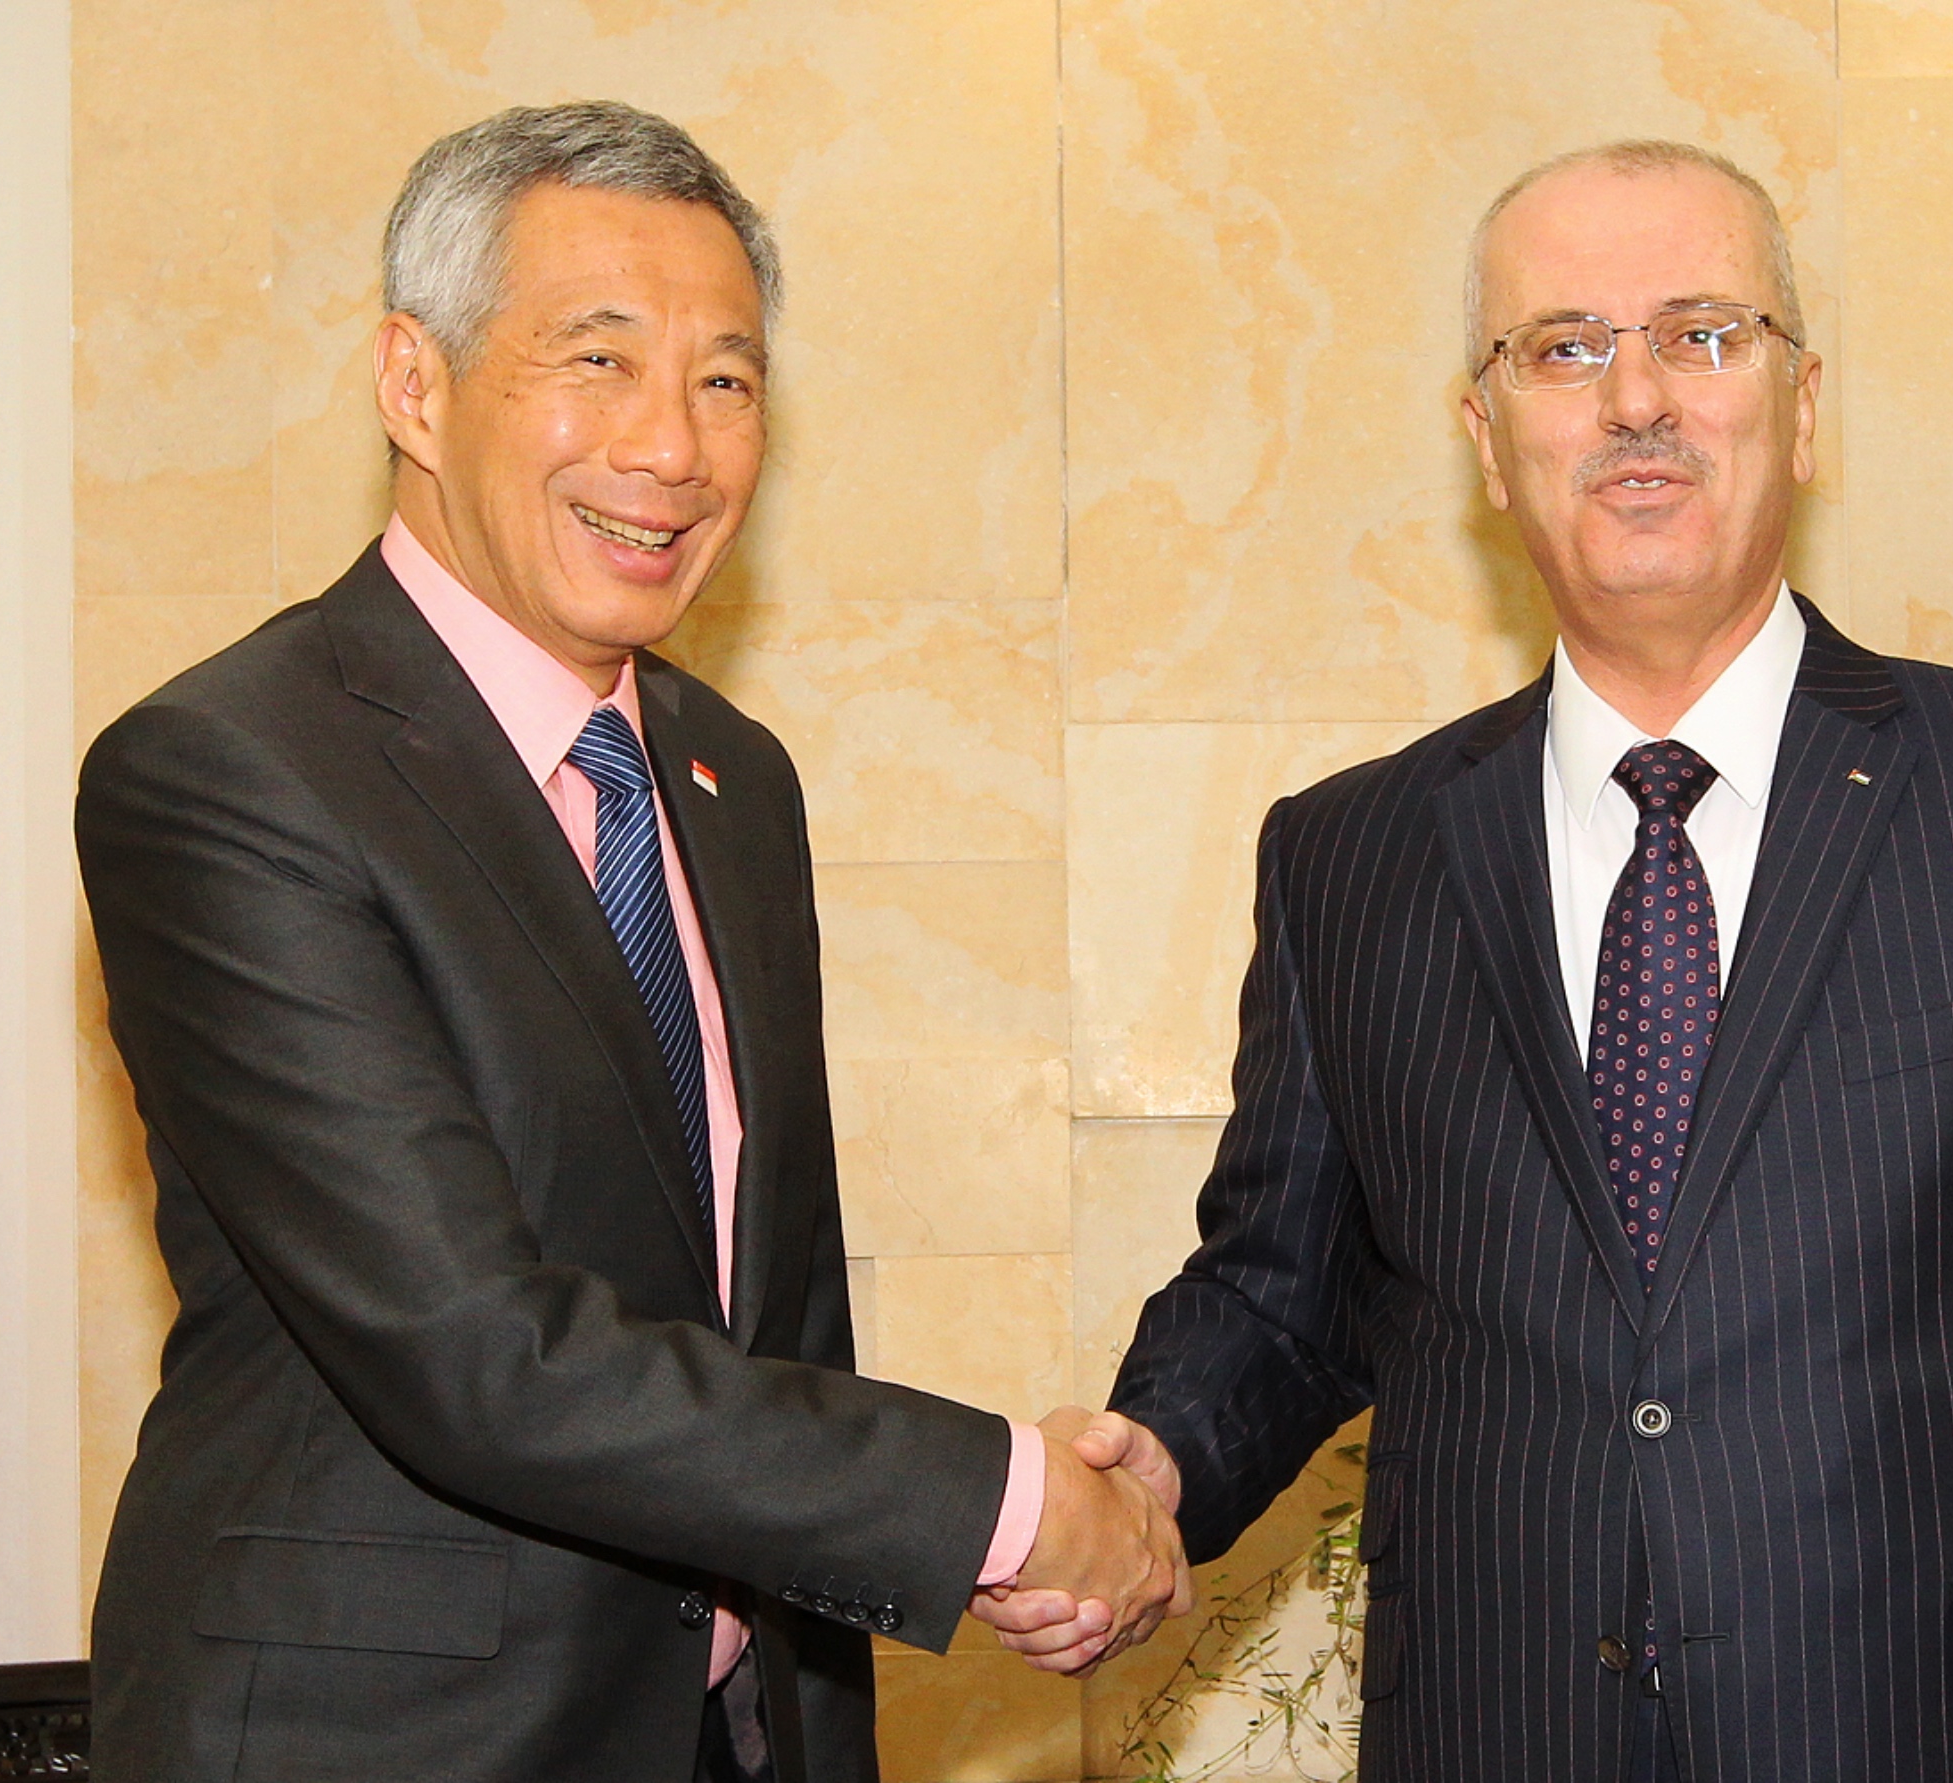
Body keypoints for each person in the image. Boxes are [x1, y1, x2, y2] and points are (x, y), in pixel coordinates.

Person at [978, 142, 1953, 1781]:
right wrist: (1153, 1471)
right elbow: (1287, 1292)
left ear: (1804, 406)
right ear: (1488, 439)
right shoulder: (1349, 855)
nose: (1636, 398)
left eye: (1700, 333)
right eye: (1563, 347)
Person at [77, 101, 1185, 1783]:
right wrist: (1007, 1504)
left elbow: (770, 1319)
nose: (672, 445)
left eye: (727, 380)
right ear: (414, 384)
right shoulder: (232, 774)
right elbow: (476, 1353)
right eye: (595, 362)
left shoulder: (734, 780)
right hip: (382, 1741)